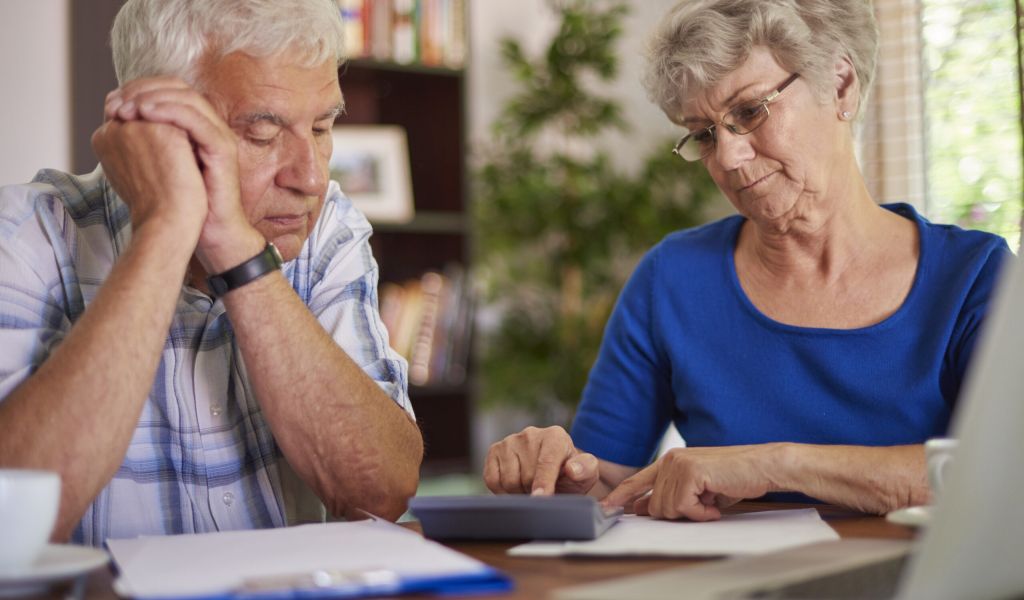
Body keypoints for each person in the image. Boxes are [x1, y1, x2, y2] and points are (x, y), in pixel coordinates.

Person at [484, 0, 1013, 521]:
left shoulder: (973, 277)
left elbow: (1003, 472)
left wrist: (776, 464)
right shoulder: (672, 280)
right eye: (705, 134)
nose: (729, 158)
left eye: (749, 111)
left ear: (841, 85)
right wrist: (552, 472)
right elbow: (606, 485)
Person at [0, 0, 423, 545]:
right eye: (263, 134)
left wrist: (239, 255)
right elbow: (11, 525)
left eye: (321, 127)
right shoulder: (24, 235)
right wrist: (164, 227)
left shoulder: (326, 230)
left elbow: (381, 491)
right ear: (157, 128)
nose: (312, 178)